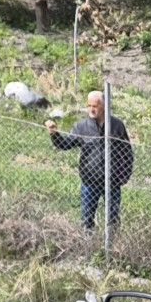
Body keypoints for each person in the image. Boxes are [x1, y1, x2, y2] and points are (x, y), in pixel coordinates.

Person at [46, 91, 134, 231]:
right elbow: (65, 144)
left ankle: (112, 248)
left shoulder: (117, 126)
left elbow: (127, 152)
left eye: (95, 106)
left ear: (104, 106)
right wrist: (54, 134)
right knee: (87, 219)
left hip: (112, 181)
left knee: (113, 220)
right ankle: (88, 246)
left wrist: (124, 176)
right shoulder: (82, 126)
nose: (91, 109)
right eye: (89, 105)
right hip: (89, 181)